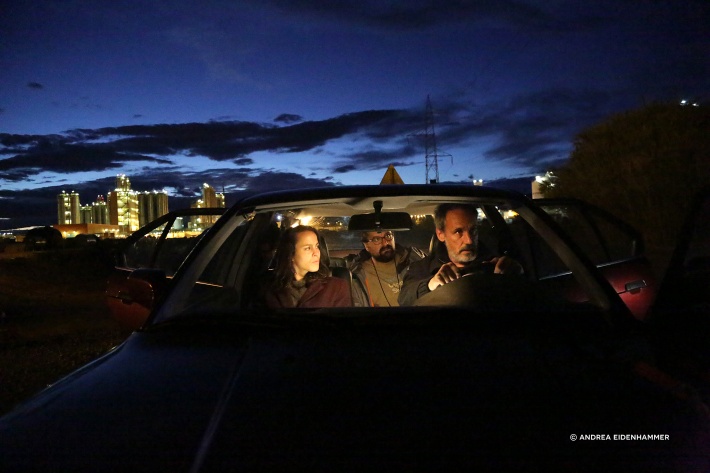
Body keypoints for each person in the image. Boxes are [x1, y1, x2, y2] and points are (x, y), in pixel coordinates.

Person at [398, 203, 522, 306]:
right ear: (441, 234)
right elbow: (404, 299)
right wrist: (430, 284)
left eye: (473, 230)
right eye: (458, 231)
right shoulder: (422, 268)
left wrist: (517, 275)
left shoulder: (497, 264)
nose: (469, 240)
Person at [263, 225, 352, 308]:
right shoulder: (268, 287)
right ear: (291, 254)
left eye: (317, 246)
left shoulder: (336, 287)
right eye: (307, 248)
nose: (316, 253)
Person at [348, 230, 425, 307]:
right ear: (367, 246)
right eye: (376, 239)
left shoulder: (415, 260)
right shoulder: (357, 275)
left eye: (388, 236)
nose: (385, 243)